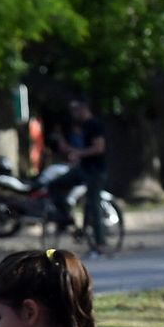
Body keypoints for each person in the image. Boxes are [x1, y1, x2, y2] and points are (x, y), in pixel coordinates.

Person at [51, 98, 107, 252]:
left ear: (84, 108)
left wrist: (79, 153)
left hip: (95, 171)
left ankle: (100, 243)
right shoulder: (80, 127)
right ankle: (66, 217)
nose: (73, 113)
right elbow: (75, 149)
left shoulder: (94, 125)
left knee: (93, 204)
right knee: (54, 184)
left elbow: (99, 148)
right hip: (82, 169)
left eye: (76, 109)